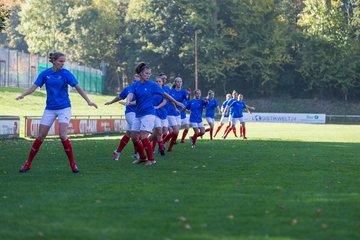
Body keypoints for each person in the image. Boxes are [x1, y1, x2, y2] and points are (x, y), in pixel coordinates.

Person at [16, 52, 98, 173]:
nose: (62, 63)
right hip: (50, 108)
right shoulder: (45, 74)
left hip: (64, 108)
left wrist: (88, 101)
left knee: (63, 135)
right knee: (40, 136)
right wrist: (23, 95)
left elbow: (78, 88)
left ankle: (73, 164)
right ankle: (27, 164)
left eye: (63, 61)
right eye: (60, 61)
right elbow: (34, 87)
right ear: (54, 61)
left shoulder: (66, 74)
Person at [124, 63, 185, 165]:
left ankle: (151, 159)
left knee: (143, 136)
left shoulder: (152, 85)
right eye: (146, 73)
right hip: (138, 114)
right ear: (140, 73)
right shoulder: (135, 85)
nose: (148, 75)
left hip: (149, 113)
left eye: (149, 74)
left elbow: (164, 94)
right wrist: (128, 101)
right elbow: (130, 94)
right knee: (134, 137)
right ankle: (142, 157)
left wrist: (177, 102)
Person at [105, 74, 140, 160]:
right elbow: (120, 97)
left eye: (138, 79)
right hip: (130, 113)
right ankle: (137, 152)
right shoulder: (128, 89)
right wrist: (111, 102)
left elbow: (141, 101)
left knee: (129, 133)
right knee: (136, 132)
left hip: (139, 113)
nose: (136, 80)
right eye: (135, 79)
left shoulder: (143, 89)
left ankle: (117, 152)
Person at [162, 77, 189, 152]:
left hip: (178, 114)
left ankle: (169, 147)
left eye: (181, 82)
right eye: (178, 82)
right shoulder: (171, 91)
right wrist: (176, 108)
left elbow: (187, 99)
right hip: (170, 113)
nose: (179, 83)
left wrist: (188, 95)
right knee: (176, 131)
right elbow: (171, 101)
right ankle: (163, 142)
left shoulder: (183, 92)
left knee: (176, 133)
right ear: (175, 83)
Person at [148, 75, 168, 156]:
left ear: (162, 83)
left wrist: (158, 106)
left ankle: (143, 143)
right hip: (155, 113)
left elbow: (164, 102)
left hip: (163, 113)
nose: (158, 83)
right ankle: (162, 150)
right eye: (157, 81)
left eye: (160, 81)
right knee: (159, 131)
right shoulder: (152, 91)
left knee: (164, 132)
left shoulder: (164, 91)